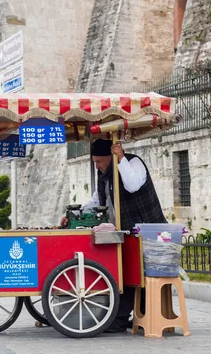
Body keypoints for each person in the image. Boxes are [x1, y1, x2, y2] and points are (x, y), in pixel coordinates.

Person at [61, 139, 166, 333]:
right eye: (94, 162)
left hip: (146, 229)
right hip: (124, 231)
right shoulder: (104, 177)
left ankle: (129, 317)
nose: (97, 166)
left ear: (110, 157)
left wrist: (121, 158)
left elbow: (132, 185)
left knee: (135, 274)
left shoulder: (133, 163)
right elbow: (97, 201)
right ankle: (126, 317)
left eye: (100, 161)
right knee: (125, 272)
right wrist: (74, 215)